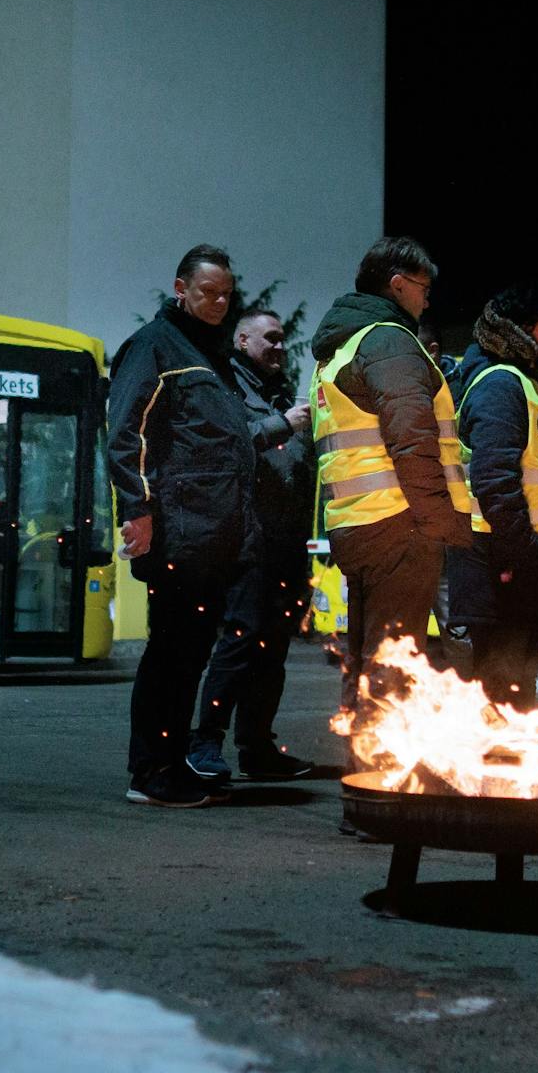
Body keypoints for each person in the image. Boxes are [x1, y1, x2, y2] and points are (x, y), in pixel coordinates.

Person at [107, 244, 259, 808]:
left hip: (211, 533)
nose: (219, 302)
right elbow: (126, 431)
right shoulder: (154, 346)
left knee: (190, 653)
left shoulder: (204, 352)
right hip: (177, 529)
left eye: (226, 294)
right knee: (171, 653)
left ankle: (170, 764)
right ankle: (149, 772)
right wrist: (137, 510)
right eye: (207, 292)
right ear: (181, 289)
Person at [308, 236, 473, 745]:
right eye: (423, 288)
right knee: (395, 659)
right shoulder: (389, 341)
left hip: (358, 523)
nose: (428, 299)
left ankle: (367, 778)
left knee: (368, 657)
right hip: (400, 520)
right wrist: (440, 518)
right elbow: (413, 437)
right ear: (398, 285)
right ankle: (385, 782)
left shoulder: (337, 353)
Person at [188, 309, 316, 782]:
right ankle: (205, 744)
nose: (280, 347)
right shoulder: (227, 388)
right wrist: (284, 424)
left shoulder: (276, 391)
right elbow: (228, 444)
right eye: (271, 338)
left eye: (283, 340)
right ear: (243, 340)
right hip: (248, 538)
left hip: (285, 542)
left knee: (273, 648)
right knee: (241, 639)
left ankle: (257, 747)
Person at [449, 286, 538, 707]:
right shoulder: (501, 384)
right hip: (502, 560)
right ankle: (494, 771)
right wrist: (525, 550)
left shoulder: (532, 380)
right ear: (525, 330)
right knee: (502, 688)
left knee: (514, 685)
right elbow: (494, 480)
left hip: (523, 560)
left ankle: (505, 766)